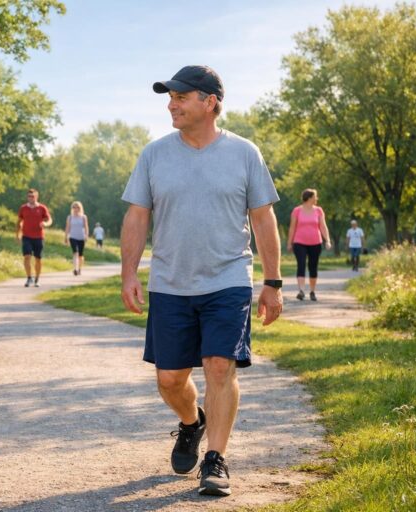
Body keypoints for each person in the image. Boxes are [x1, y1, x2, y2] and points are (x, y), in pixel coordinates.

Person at [120, 65, 282, 497]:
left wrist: (273, 281)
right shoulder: (154, 154)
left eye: (181, 96)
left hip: (228, 279)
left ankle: (216, 459)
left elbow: (263, 218)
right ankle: (192, 423)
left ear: (209, 102)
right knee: (170, 379)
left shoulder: (244, 153)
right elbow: (137, 216)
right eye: (169, 97)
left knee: (218, 366)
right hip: (170, 282)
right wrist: (129, 273)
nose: (172, 104)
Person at [286, 189, 332, 301]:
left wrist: (328, 240)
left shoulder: (319, 210)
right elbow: (292, 228)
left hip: (316, 243)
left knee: (313, 267)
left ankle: (312, 291)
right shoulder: (297, 211)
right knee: (301, 265)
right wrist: (289, 243)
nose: (316, 199)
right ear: (310, 198)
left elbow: (323, 226)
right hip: (299, 242)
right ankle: (301, 291)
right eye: (315, 196)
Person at [16, 188, 52, 287]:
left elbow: (49, 220)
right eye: (29, 196)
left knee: (38, 259)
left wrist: (45, 223)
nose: (30, 198)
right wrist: (17, 235)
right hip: (26, 236)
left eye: (32, 196)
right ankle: (29, 278)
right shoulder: (23, 208)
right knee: (27, 256)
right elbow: (19, 222)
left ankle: (37, 279)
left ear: (36, 197)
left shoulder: (42, 208)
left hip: (38, 237)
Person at [65, 201, 89, 275]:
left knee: (80, 255)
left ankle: (79, 268)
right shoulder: (70, 217)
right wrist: (66, 237)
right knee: (75, 252)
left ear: (80, 208)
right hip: (73, 237)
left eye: (78, 207)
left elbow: (86, 227)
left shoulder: (83, 217)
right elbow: (67, 227)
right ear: (72, 208)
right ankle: (75, 269)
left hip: (81, 237)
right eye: (74, 207)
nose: (76, 209)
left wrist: (86, 235)